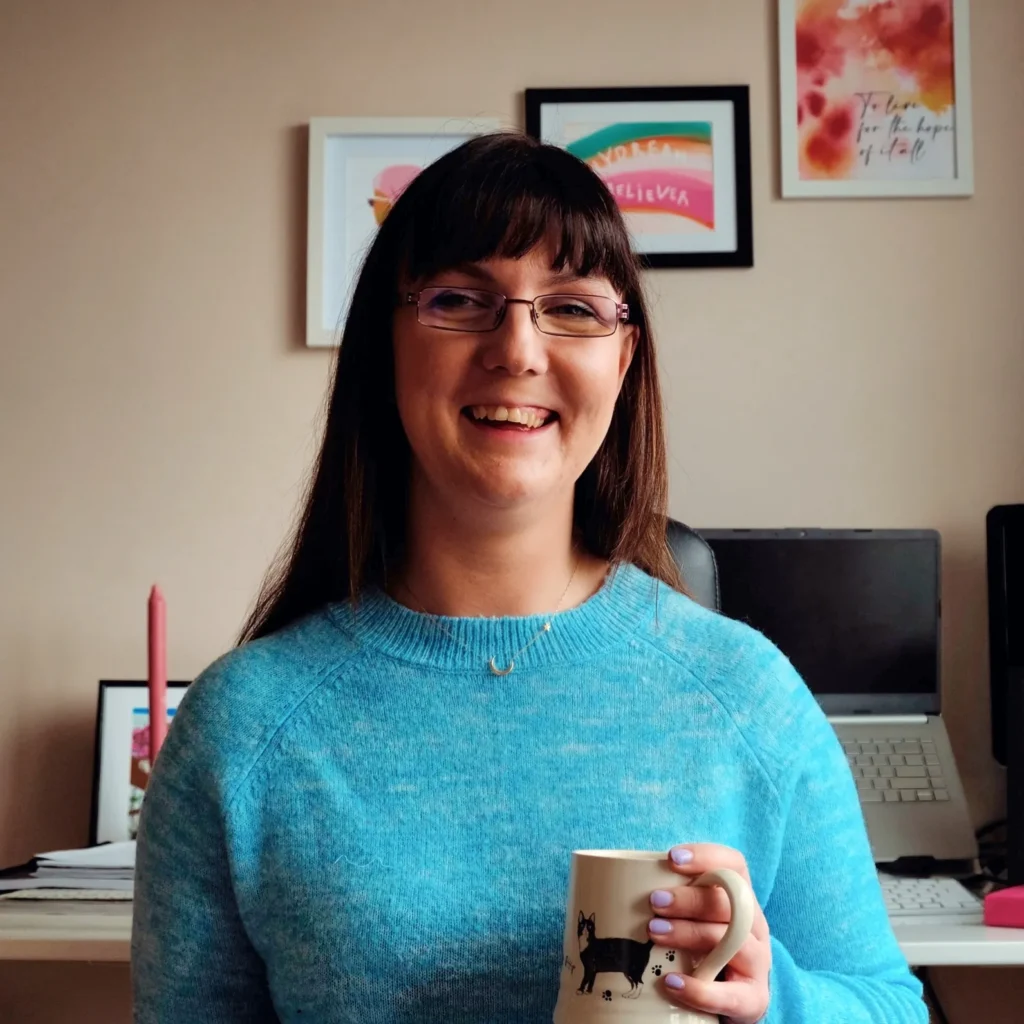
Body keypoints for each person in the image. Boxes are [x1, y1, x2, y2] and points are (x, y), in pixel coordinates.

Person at [131, 132, 927, 1024]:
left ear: (623, 361)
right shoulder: (243, 729)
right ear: (384, 346)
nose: (517, 349)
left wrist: (775, 1001)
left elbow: (889, 1006)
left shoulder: (748, 694)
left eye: (574, 308)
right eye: (459, 300)